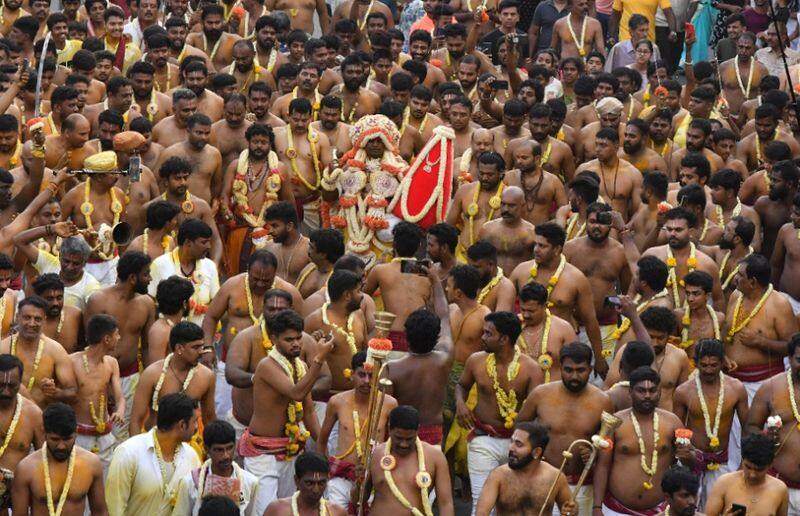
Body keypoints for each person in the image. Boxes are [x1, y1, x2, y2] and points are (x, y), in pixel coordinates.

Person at [238, 309, 333, 514]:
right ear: (274, 339)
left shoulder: (300, 366)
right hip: (262, 454)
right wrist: (319, 359)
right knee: (264, 512)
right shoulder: (266, 366)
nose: (296, 344)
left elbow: (308, 411)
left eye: (299, 338)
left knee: (289, 510)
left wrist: (322, 447)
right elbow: (296, 393)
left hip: (291, 452)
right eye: (289, 340)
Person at [456, 311, 543, 514]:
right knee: (482, 502)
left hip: (518, 442)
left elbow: (537, 410)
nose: (482, 337)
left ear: (504, 339)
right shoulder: (476, 361)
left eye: (488, 334)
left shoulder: (531, 369)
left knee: (513, 504)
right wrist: (460, 403)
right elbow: (461, 385)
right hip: (482, 438)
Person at [517, 342, 612, 513]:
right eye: (568, 370)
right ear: (560, 368)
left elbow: (608, 444)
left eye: (580, 370)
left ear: (590, 370)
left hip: (581, 486)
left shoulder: (603, 402)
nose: (574, 376)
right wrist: (534, 454)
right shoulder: (541, 394)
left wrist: (594, 455)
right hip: (542, 481)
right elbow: (520, 430)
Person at [509, 223, 608, 378]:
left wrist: (600, 358)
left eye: (542, 246)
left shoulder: (575, 278)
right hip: (523, 343)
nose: (536, 249)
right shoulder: (521, 271)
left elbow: (590, 320)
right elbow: (505, 312)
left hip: (560, 346)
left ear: (557, 249)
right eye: (535, 244)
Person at [593, 367, 692, 515]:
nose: (647, 395)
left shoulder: (672, 422)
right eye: (641, 391)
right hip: (616, 510)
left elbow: (687, 462)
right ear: (630, 392)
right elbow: (603, 466)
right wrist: (597, 507)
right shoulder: (615, 423)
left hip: (660, 510)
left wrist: (689, 457)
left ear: (659, 392)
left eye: (652, 391)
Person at [84, 251, 156, 439]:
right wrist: (98, 377)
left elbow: (147, 346)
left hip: (131, 378)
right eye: (146, 274)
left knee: (124, 433)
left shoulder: (147, 304)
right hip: (98, 376)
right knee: (94, 430)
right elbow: (88, 344)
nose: (150, 279)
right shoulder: (98, 300)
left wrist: (151, 381)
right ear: (132, 278)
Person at [673, 339, 748, 508]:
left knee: (721, 509)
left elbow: (748, 428)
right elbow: (677, 430)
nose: (708, 370)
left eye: (713, 365)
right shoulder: (683, 391)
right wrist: (685, 455)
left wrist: (744, 461)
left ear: (723, 362)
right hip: (691, 461)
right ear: (695, 363)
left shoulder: (736, 388)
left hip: (722, 463)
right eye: (703, 365)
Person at [384, 262, 452, 448]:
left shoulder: (392, 369)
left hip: (400, 435)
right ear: (437, 337)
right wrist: (435, 280)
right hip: (434, 434)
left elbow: (385, 412)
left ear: (406, 337)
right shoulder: (445, 357)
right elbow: (444, 315)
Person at [318, 351, 397, 507]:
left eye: (371, 376)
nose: (366, 381)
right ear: (352, 374)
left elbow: (393, 445)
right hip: (340, 479)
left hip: (373, 480)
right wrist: (324, 474)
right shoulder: (337, 402)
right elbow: (321, 441)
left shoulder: (388, 404)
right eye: (361, 375)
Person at [106, 393, 202, 515]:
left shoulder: (192, 456)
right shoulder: (128, 453)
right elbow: (114, 508)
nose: (196, 427)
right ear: (182, 425)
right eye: (195, 422)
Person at [11, 402, 107, 515]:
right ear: (44, 434)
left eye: (67, 439)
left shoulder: (92, 464)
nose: (61, 446)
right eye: (55, 439)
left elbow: (100, 512)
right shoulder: (26, 469)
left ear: (76, 433)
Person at [129, 321, 216, 436]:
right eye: (195, 347)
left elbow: (209, 418)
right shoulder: (152, 374)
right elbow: (136, 420)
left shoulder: (207, 376)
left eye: (202, 346)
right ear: (179, 348)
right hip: (153, 442)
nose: (201, 352)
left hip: (190, 443)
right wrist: (139, 451)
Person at [364, 405, 454, 515]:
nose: (404, 444)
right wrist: (358, 484)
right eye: (398, 438)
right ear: (389, 429)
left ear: (418, 430)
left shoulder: (435, 457)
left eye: (409, 439)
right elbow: (359, 499)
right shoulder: (377, 453)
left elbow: (446, 504)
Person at [59, 151, 129, 286]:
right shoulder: (74, 196)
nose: (117, 176)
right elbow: (58, 230)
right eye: (113, 173)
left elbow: (123, 231)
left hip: (112, 263)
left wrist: (121, 263)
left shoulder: (119, 195)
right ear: (98, 177)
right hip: (82, 265)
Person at [476, 421, 577, 515]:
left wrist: (571, 510)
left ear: (536, 452)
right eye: (511, 441)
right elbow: (481, 513)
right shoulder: (498, 475)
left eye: (518, 444)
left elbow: (572, 509)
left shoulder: (555, 477)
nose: (511, 447)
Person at [364, 223, 433, 356]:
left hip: (391, 339)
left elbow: (361, 297)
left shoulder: (381, 270)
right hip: (421, 341)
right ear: (419, 246)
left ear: (393, 245)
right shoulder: (428, 272)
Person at [70, 314, 125, 474]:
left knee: (104, 488)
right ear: (107, 339)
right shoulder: (72, 362)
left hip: (105, 437)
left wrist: (120, 410)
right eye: (117, 334)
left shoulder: (111, 363)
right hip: (79, 438)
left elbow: (119, 398)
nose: (119, 337)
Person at [0, 296, 76, 409]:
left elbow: (72, 391)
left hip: (40, 419)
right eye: (27, 317)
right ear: (17, 318)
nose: (31, 323)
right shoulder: (3, 347)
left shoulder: (55, 350)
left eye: (37, 319)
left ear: (44, 320)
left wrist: (55, 392)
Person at [174, 420, 260, 516]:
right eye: (219, 450)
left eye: (229, 448)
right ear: (206, 449)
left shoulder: (250, 482)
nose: (226, 455)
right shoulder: (191, 482)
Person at [642, 208, 724, 309]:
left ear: (691, 232)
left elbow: (718, 300)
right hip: (656, 321)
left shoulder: (706, 264)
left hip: (691, 322)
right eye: (669, 229)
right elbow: (634, 292)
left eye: (678, 230)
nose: (672, 234)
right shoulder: (652, 256)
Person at [148, 219, 220, 325]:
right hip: (168, 335)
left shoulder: (210, 266)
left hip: (201, 337)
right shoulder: (160, 264)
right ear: (188, 243)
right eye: (204, 242)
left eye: (209, 242)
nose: (209, 246)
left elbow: (217, 305)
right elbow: (150, 303)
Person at [704, 433, 789, 516]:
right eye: (748, 467)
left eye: (759, 470)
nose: (752, 475)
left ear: (770, 465)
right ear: (742, 459)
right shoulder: (724, 483)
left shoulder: (780, 490)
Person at [446, 151, 506, 261]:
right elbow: (449, 226)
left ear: (501, 173)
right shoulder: (464, 191)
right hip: (463, 256)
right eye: (481, 173)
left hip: (494, 259)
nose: (484, 178)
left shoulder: (509, 196)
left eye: (490, 174)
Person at [575, 128, 642, 222]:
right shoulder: (584, 169)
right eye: (596, 144)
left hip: (619, 230)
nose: (597, 149)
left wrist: (626, 228)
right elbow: (573, 204)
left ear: (616, 146)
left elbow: (639, 210)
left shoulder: (632, 173)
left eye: (603, 145)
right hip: (590, 228)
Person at [477, 186, 537, 275]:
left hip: (519, 283)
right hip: (490, 283)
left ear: (523, 205)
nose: (506, 209)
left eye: (511, 205)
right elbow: (475, 259)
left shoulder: (531, 233)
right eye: (503, 204)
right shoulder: (487, 229)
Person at [674, 272, 725, 359]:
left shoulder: (719, 318)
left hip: (709, 368)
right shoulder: (678, 316)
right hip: (684, 368)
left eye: (696, 294)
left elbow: (722, 349)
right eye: (687, 293)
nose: (690, 299)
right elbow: (672, 346)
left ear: (707, 296)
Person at [717, 32, 768, 115]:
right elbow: (716, 92)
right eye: (741, 47)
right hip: (728, 117)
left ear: (754, 48)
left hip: (752, 118)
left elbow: (766, 96)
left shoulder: (762, 70)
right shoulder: (724, 67)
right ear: (736, 46)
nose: (743, 51)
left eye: (748, 48)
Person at [264, 201, 311, 285]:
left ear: (289, 226)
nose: (270, 231)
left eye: (275, 226)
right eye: (269, 226)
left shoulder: (309, 249)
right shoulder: (268, 247)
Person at [31, 273, 82, 353]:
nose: (55, 303)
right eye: (49, 299)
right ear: (38, 298)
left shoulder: (75, 315)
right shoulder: (30, 321)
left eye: (59, 298)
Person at [466, 241, 516, 312]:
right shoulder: (467, 280)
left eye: (476, 267)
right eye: (469, 266)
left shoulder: (505, 287)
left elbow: (500, 321)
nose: (471, 270)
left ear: (491, 265)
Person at [295, 229, 344, 300]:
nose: (308, 251)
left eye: (311, 247)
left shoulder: (339, 278)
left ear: (323, 254)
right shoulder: (308, 268)